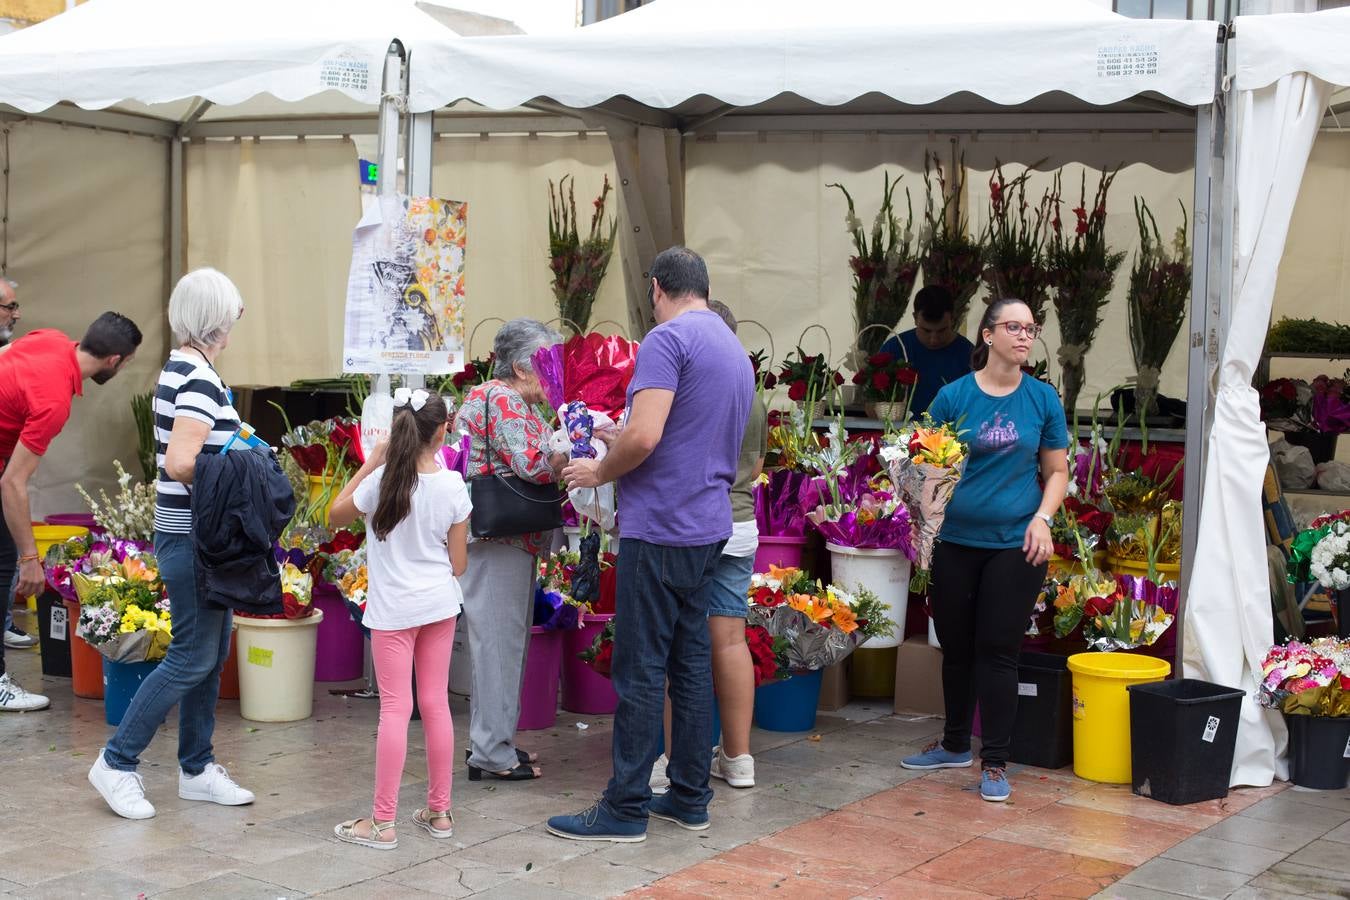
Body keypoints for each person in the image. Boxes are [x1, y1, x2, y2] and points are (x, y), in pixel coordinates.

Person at [548, 246, 753, 842]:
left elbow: (645, 435)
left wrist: (597, 470)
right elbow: (684, 430)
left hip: (662, 524)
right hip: (709, 524)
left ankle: (625, 807)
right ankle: (690, 797)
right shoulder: (730, 347)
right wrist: (626, 435)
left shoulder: (667, 340)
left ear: (658, 287)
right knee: (689, 667)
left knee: (639, 670)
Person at [88, 269, 250, 817]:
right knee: (190, 656)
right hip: (195, 539)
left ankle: (197, 767)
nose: (236, 322)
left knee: (211, 652)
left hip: (195, 537)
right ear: (217, 319)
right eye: (233, 312)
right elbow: (183, 462)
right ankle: (117, 761)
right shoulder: (200, 378)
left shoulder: (184, 367)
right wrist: (244, 473)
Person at [900, 297, 1069, 802]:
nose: (1024, 336)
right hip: (954, 542)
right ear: (988, 335)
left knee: (998, 650)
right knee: (956, 648)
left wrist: (1043, 519)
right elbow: (925, 465)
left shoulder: (1042, 399)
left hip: (1015, 543)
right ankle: (954, 743)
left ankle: (994, 761)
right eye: (1013, 327)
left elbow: (1057, 471)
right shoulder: (953, 398)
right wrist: (921, 521)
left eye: (1031, 328)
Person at [328, 389, 471, 850]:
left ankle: (383, 822)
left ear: (396, 432)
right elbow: (459, 564)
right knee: (435, 703)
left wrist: (372, 461)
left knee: (395, 708)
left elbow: (333, 515)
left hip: (392, 612)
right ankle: (440, 812)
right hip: (439, 606)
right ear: (443, 431)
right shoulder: (452, 486)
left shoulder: (381, 482)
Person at [0, 310, 142, 712]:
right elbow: (11, 483)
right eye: (127, 362)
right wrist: (31, 560)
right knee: (4, 563)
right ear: (114, 361)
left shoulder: (49, 335)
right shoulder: (53, 400)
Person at [651, 299, 765, 794]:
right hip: (740, 524)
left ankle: (675, 760)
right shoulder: (750, 390)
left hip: (694, 523)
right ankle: (739, 759)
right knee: (731, 641)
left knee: (681, 644)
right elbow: (757, 467)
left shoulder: (691, 381)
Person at [453, 318, 566, 782]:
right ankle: (492, 752)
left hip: (501, 538)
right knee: (499, 644)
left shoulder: (495, 397)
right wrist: (572, 450)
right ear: (522, 366)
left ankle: (493, 743)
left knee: (499, 644)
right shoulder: (502, 398)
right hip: (499, 539)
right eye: (546, 362)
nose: (553, 372)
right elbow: (534, 466)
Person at [878, 285, 974, 418]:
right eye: (926, 330)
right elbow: (871, 402)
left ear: (953, 319)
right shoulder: (895, 348)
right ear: (915, 317)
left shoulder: (969, 354)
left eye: (942, 331)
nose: (933, 339)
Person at [0, 277, 34, 652]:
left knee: (6, 548)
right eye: (10, 307)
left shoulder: (9, 350)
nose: (17, 314)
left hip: (7, 460)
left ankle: (4, 620)